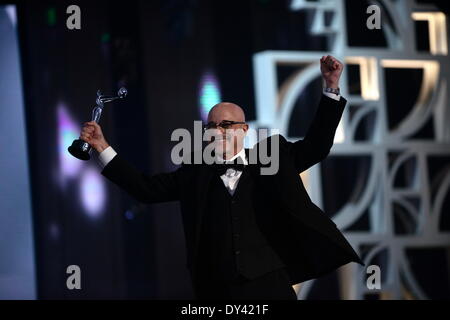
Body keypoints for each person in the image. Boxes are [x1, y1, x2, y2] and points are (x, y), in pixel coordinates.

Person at [79, 55, 364, 300]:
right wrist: (102, 147)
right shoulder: (196, 173)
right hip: (216, 290)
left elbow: (316, 146)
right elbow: (145, 189)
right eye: (212, 126)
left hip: (270, 283)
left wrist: (330, 87)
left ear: (244, 129)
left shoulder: (273, 157)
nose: (219, 130)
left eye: (227, 124)